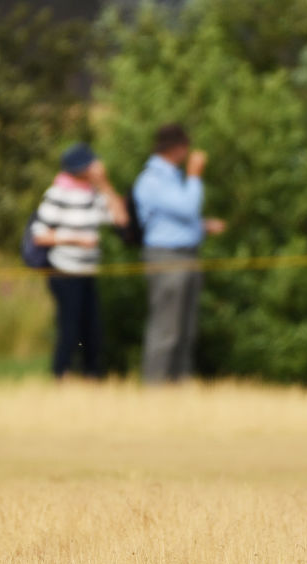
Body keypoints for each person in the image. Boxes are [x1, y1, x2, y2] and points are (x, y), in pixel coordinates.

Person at [133, 123, 226, 383]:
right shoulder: (153, 179)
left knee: (186, 330)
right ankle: (156, 389)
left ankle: (179, 389)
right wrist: (195, 175)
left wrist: (203, 227)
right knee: (167, 329)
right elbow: (187, 208)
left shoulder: (171, 177)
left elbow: (178, 219)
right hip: (167, 257)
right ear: (176, 148)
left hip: (186, 255)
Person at [31, 143, 128, 379]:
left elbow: (121, 219)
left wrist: (104, 184)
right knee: (70, 328)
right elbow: (40, 234)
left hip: (87, 271)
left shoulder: (92, 193)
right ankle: (61, 374)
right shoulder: (58, 194)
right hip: (64, 272)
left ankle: (92, 376)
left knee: (92, 330)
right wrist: (76, 239)